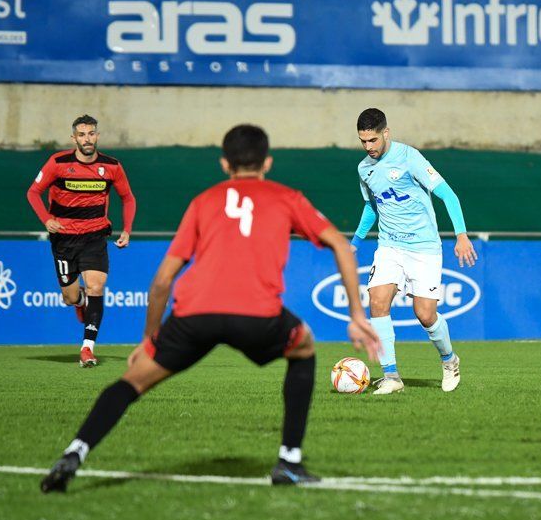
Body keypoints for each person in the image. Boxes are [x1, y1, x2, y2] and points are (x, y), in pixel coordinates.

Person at [41, 124, 380, 492]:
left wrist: (149, 340)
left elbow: (161, 283)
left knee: (131, 382)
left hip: (195, 314)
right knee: (304, 347)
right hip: (257, 314)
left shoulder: (204, 201)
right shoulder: (287, 197)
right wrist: (357, 317)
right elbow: (342, 247)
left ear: (223, 163)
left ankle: (75, 452)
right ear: (267, 162)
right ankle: (289, 462)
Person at [351, 108, 477, 395]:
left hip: (423, 248)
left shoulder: (410, 158)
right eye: (363, 142)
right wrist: (354, 243)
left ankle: (449, 360)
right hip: (390, 246)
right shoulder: (364, 169)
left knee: (425, 314)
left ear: (386, 133)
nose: (368, 147)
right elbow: (371, 207)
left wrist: (461, 235)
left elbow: (448, 194)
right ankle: (392, 376)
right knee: (378, 301)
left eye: (372, 140)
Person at [26, 114, 136, 367]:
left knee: (97, 286)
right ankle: (80, 301)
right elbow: (33, 192)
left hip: (95, 236)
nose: (87, 138)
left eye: (91, 133)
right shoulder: (57, 163)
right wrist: (46, 219)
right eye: (82, 134)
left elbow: (128, 198)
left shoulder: (112, 167)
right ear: (74, 137)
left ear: (97, 135)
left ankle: (87, 348)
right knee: (69, 297)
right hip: (64, 238)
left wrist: (127, 229)